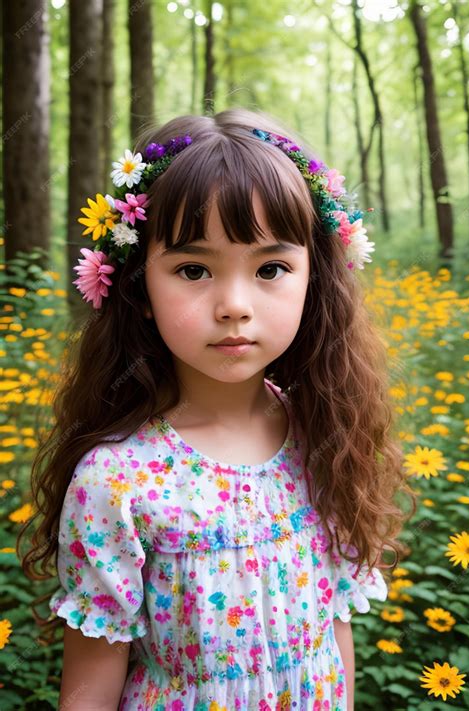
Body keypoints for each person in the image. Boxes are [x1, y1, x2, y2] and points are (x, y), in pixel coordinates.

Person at [21, 107, 416, 711]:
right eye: (194, 269)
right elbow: (90, 687)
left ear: (315, 281)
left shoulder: (327, 435)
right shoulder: (117, 481)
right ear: (138, 288)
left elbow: (335, 631)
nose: (234, 304)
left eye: (271, 268)